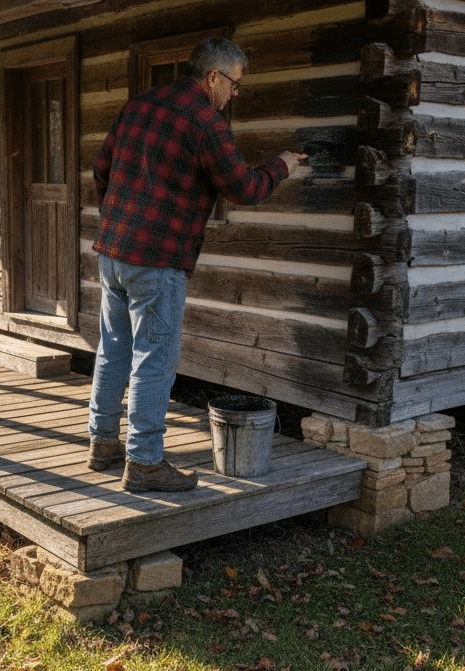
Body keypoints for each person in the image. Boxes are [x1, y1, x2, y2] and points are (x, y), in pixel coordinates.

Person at [86, 36, 308, 493]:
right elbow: (243, 187)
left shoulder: (139, 105)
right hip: (158, 260)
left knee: (113, 349)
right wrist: (283, 163)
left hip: (113, 253)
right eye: (235, 83)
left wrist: (117, 217)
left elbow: (101, 169)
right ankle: (144, 462)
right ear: (213, 77)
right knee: (154, 359)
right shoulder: (204, 121)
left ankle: (102, 443)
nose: (236, 93)